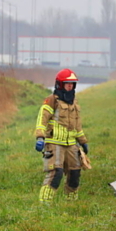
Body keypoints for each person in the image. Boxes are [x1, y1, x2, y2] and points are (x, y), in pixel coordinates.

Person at [35, 68, 89, 203]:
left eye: (72, 84)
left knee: (75, 174)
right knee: (55, 173)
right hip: (54, 143)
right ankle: (45, 203)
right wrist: (40, 137)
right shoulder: (51, 100)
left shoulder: (74, 103)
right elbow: (42, 120)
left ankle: (71, 203)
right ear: (60, 84)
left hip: (71, 145)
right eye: (67, 83)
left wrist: (83, 141)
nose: (70, 86)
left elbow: (77, 126)